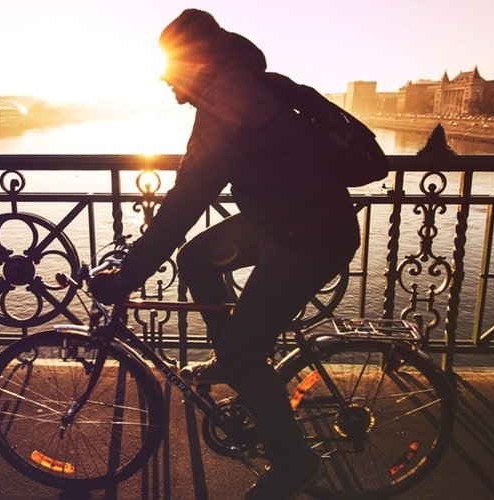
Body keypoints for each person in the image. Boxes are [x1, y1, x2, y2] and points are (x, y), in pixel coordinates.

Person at [90, 9, 360, 499]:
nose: (168, 87)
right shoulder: (239, 85)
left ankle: (294, 462)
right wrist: (141, 252)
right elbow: (190, 194)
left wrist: (126, 277)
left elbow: (189, 197)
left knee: (243, 354)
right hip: (286, 219)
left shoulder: (230, 99)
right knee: (196, 258)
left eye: (170, 74)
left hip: (308, 236)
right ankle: (231, 357)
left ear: (194, 64)